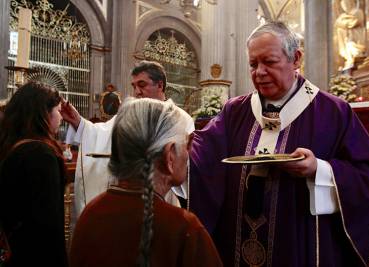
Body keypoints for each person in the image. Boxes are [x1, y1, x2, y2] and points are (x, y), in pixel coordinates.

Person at [189, 21, 369, 267]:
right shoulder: (235, 112)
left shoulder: (333, 112)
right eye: (253, 64)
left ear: (296, 59)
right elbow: (199, 157)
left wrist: (320, 170)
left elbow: (368, 174)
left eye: (269, 62)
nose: (259, 72)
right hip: (236, 246)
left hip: (296, 249)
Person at [69, 98, 222, 267]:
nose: (189, 154)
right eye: (187, 144)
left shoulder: (90, 214)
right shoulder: (184, 229)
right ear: (170, 155)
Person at [61, 61, 194, 217]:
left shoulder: (178, 118)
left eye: (142, 85)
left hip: (160, 197)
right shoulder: (129, 113)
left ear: (160, 85)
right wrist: (79, 123)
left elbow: (182, 163)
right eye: (134, 86)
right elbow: (101, 133)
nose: (137, 91)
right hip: (128, 195)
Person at [0, 82, 68, 266]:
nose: (61, 117)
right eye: (58, 110)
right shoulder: (41, 154)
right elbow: (47, 226)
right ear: (44, 113)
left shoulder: (13, 145)